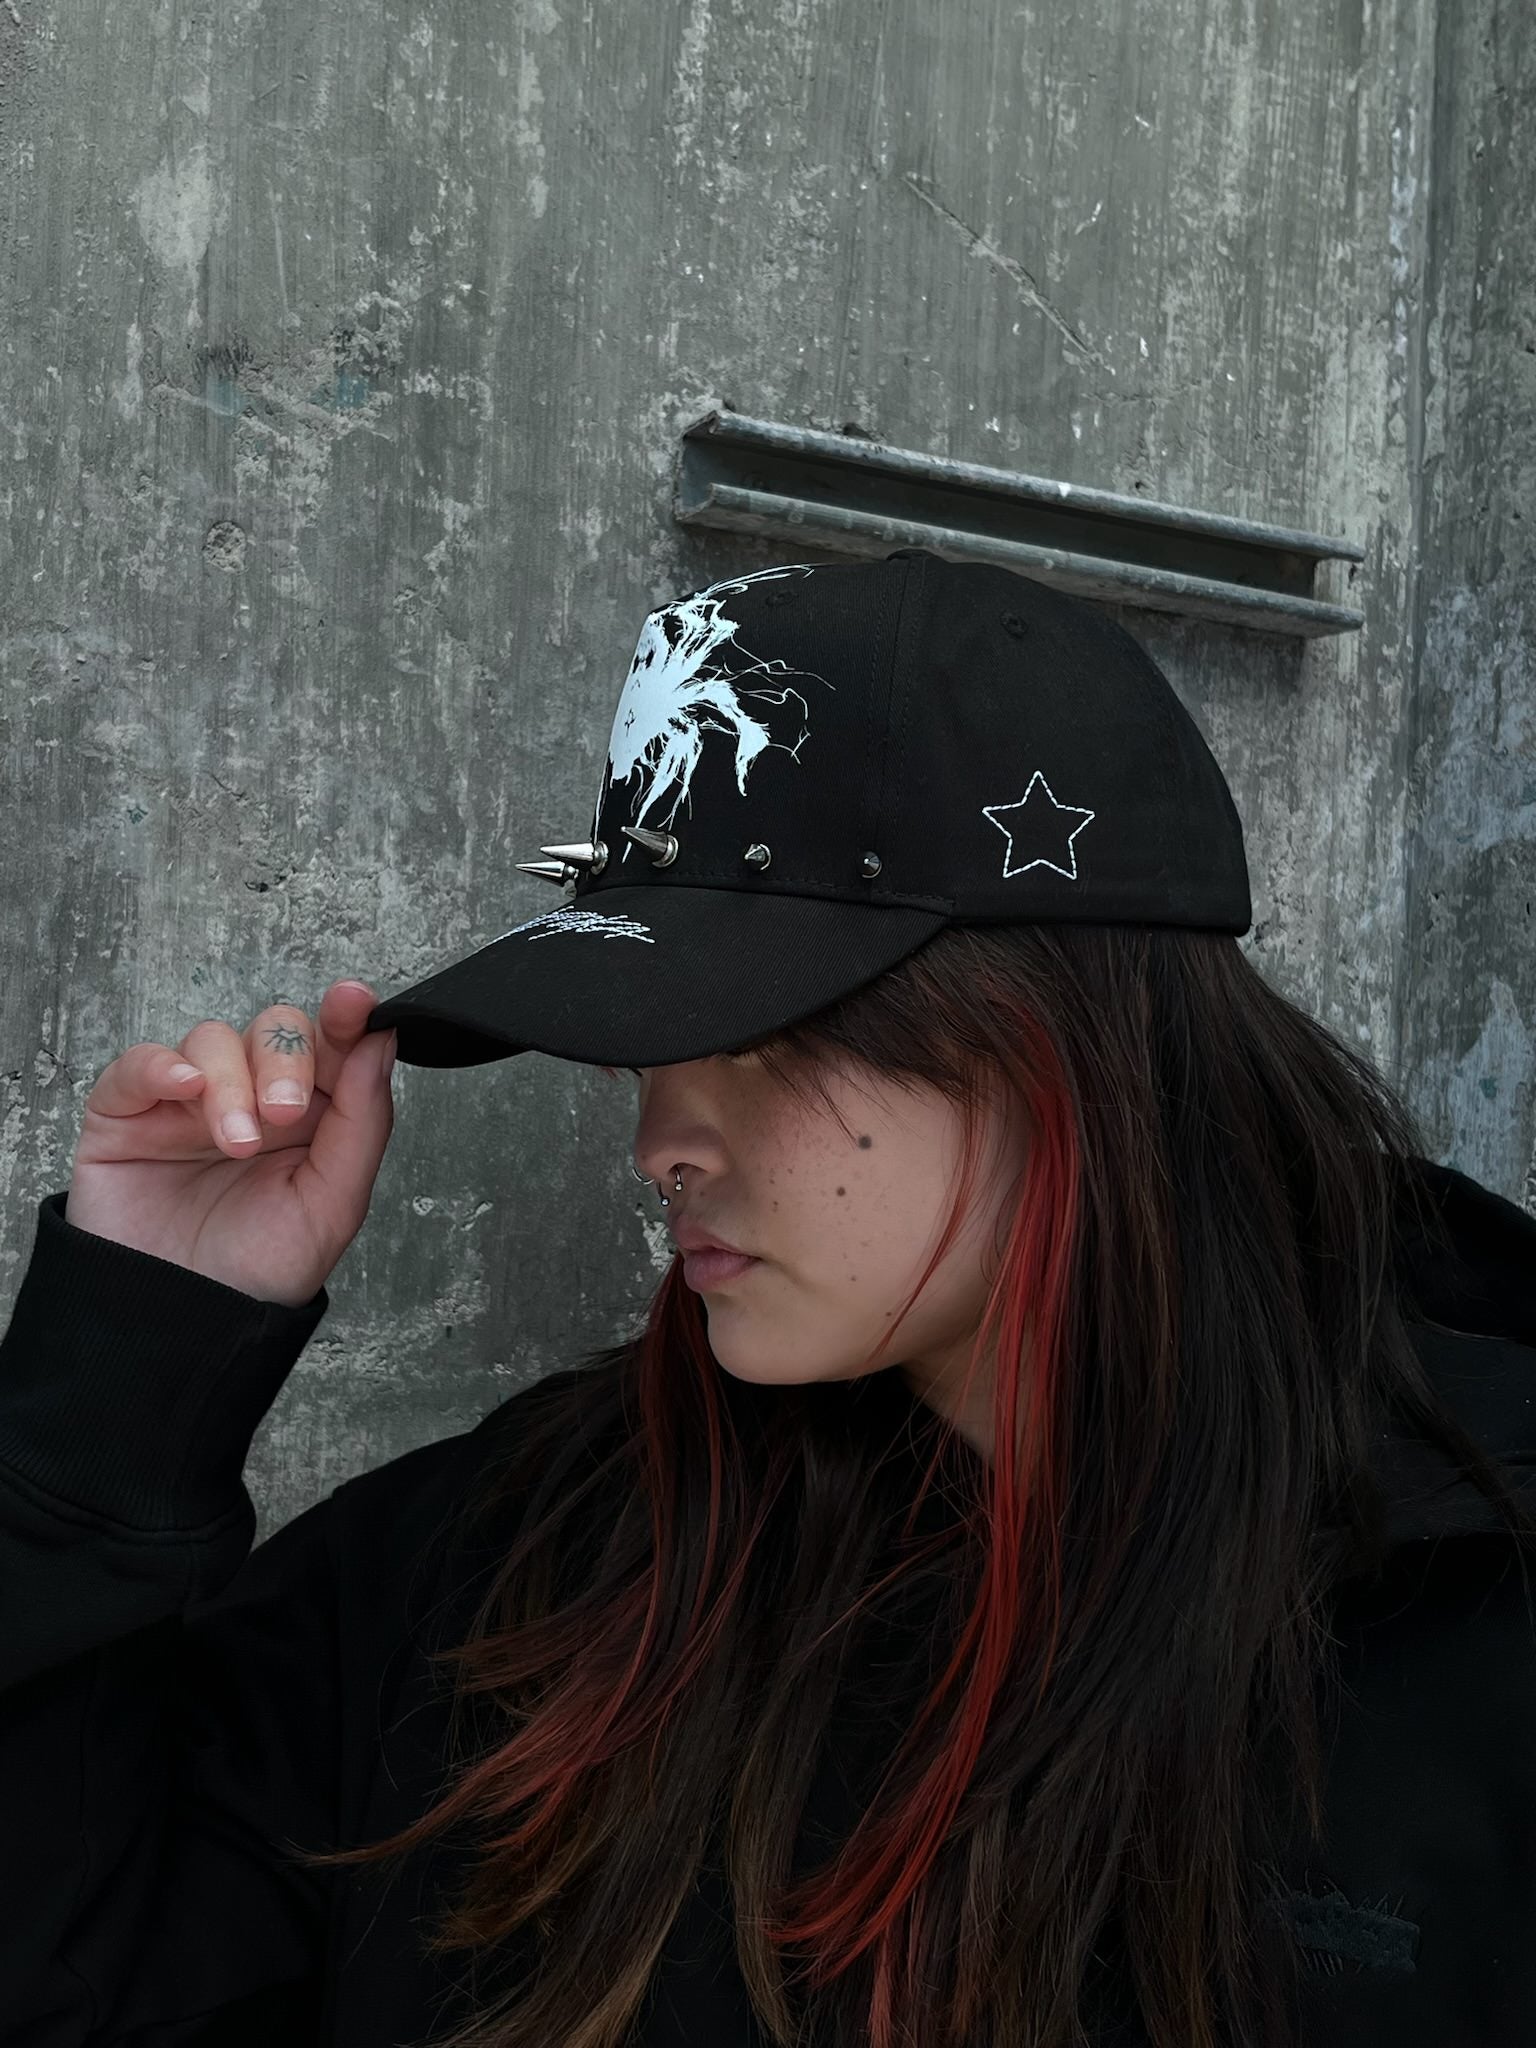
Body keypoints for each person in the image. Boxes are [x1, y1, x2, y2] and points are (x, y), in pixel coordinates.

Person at [2, 547, 1535, 2048]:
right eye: (653, 1037)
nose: (662, 1142)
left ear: (1061, 1047)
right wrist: (134, 1358)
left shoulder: (1471, 1617)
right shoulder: (522, 1567)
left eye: (764, 1037)